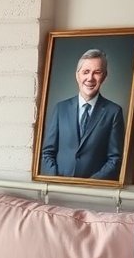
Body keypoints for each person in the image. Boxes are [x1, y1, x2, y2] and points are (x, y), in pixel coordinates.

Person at [40, 49, 125, 180]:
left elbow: (115, 159)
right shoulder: (61, 108)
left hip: (92, 193)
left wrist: (89, 186)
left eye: (97, 72)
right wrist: (55, 182)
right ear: (77, 75)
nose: (90, 78)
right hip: (58, 189)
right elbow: (47, 153)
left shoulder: (113, 112)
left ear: (105, 76)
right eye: (86, 72)